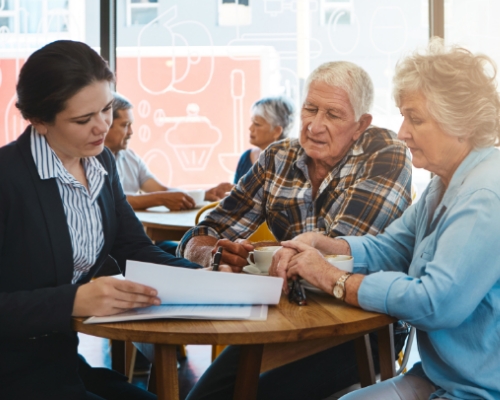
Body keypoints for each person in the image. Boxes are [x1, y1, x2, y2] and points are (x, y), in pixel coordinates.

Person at [271, 40, 500, 400]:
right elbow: (393, 246)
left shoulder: (486, 195)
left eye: (416, 118)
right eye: (404, 115)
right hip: (445, 375)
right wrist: (325, 244)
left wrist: (336, 279)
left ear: (462, 124)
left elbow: (434, 304)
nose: (402, 132)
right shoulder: (446, 182)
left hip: (481, 388)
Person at [183, 61, 412, 400]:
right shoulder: (278, 156)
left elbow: (336, 251)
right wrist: (211, 252)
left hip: (361, 325)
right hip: (284, 316)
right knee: (204, 398)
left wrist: (259, 255)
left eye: (333, 115)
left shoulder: (386, 153)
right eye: (310, 109)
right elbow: (208, 229)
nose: (315, 126)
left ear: (361, 124)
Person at [0, 40, 201, 400]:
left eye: (107, 109)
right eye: (83, 119)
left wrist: (211, 281)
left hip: (59, 363)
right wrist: (74, 300)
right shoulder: (7, 179)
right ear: (38, 120)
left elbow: (134, 249)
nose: (103, 127)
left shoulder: (102, 164)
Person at [104, 93, 233, 212]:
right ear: (106, 125)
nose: (131, 132)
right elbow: (109, 200)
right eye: (125, 125)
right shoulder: (90, 160)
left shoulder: (130, 158)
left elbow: (162, 190)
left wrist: (203, 195)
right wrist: (160, 199)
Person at [234, 96, 295, 183]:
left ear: (277, 131)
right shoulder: (246, 157)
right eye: (252, 122)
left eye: (257, 124)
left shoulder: (290, 164)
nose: (250, 128)